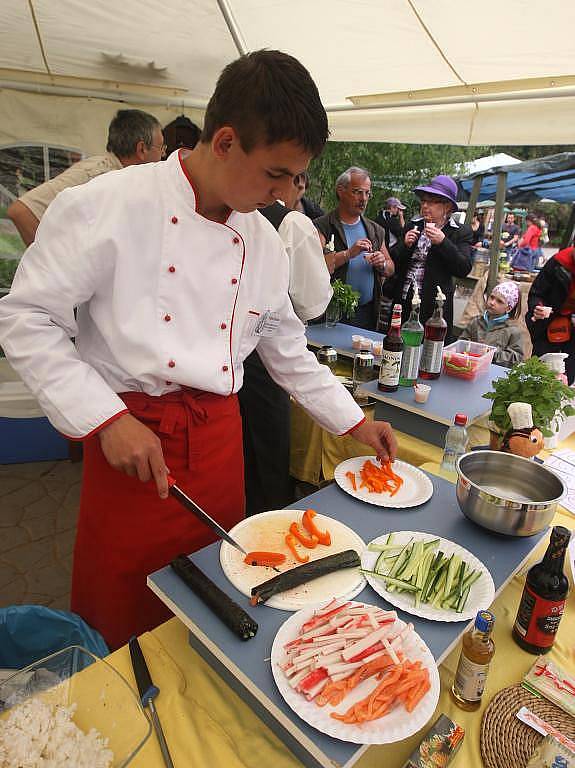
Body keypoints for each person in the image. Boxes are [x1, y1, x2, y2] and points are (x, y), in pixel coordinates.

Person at [0, 50, 396, 650]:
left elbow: (286, 348)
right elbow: (27, 317)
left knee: (216, 602)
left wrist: (355, 421)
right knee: (122, 613)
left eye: (296, 179)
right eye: (276, 175)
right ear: (227, 142)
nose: (287, 194)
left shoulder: (261, 240)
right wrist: (106, 419)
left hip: (216, 446)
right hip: (133, 442)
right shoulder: (108, 205)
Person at [239, 174, 332, 515]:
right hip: (268, 354)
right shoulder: (294, 224)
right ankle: (266, 522)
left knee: (239, 449)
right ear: (296, 180)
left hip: (229, 356)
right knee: (267, 449)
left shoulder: (236, 214)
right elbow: (312, 302)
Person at [6, 109, 164, 246]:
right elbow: (21, 211)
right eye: (161, 148)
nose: (163, 155)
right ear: (142, 149)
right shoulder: (95, 173)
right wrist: (52, 265)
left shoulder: (124, 178)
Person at [390, 174, 473, 338]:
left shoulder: (459, 232)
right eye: (424, 201)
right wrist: (405, 245)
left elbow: (463, 268)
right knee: (397, 345)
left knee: (427, 352)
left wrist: (443, 242)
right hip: (404, 300)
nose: (425, 206)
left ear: (447, 206)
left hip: (433, 308)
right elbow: (393, 261)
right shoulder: (413, 225)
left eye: (432, 202)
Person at [314, 167, 394, 330]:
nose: (363, 199)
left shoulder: (375, 229)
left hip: (367, 313)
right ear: (341, 191)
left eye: (367, 193)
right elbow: (316, 266)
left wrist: (382, 264)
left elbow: (391, 267)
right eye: (357, 192)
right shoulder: (322, 226)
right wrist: (349, 253)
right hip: (333, 312)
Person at [526, 245, 575, 384]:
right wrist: (538, 308)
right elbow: (536, 293)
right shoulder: (558, 262)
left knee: (567, 377)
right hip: (548, 323)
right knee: (539, 372)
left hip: (572, 331)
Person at [458, 281, 524, 367]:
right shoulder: (476, 321)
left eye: (499, 301)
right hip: (471, 366)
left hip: (495, 372)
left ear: (508, 308)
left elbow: (516, 358)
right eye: (492, 297)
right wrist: (471, 348)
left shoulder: (513, 330)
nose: (492, 303)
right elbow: (462, 341)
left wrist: (492, 354)